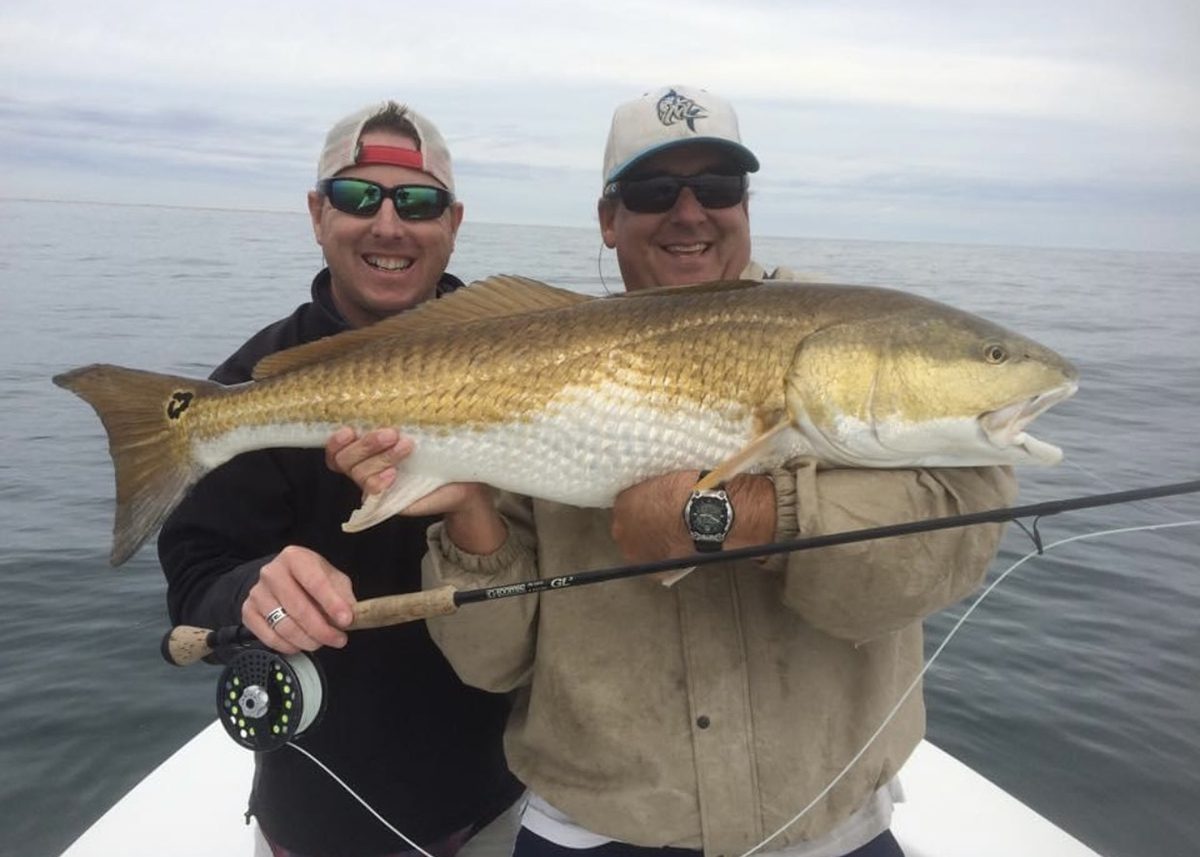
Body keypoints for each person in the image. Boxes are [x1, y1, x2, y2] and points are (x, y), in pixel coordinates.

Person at [330, 86, 1017, 857]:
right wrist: (466, 513)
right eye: (654, 191)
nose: (689, 213)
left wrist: (733, 514)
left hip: (829, 827)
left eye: (717, 188)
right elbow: (492, 662)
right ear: (607, 217)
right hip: (592, 831)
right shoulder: (532, 360)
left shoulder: (847, 343)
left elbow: (947, 542)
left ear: (746, 204)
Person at [158, 101, 523, 857]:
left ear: (453, 223)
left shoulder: (523, 354)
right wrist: (254, 586)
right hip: (315, 821)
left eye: (417, 202)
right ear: (317, 213)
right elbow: (195, 570)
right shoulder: (252, 386)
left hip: (500, 805)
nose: (388, 224)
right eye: (359, 197)